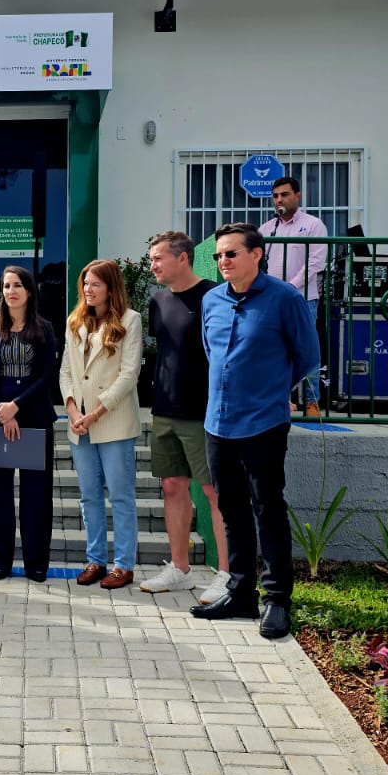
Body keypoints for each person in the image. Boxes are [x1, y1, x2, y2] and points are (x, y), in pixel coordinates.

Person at [191, 223, 321, 640]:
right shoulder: (211, 300)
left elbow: (307, 356)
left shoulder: (285, 298)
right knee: (231, 509)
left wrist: (271, 389)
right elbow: (212, 353)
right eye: (218, 255)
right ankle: (241, 592)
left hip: (264, 422)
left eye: (230, 253)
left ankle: (277, 599)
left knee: (268, 508)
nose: (222, 261)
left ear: (256, 254)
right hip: (218, 422)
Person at [139, 232, 229, 600]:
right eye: (151, 259)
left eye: (158, 258)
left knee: (213, 492)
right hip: (165, 410)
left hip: (203, 413)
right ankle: (180, 570)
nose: (153, 266)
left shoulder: (214, 296)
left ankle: (228, 575)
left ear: (183, 258)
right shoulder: (157, 301)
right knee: (172, 487)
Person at [59, 259, 142, 590]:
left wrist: (95, 413)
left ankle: (123, 565)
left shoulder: (130, 320)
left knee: (120, 496)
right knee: (89, 496)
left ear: (110, 287)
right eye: (85, 283)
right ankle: (95, 560)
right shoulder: (75, 320)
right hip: (79, 425)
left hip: (113, 423)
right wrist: (71, 410)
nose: (88, 289)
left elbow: (129, 374)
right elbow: (66, 370)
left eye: (95, 283)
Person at [0, 266, 59, 582]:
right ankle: (0, 562)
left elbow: (46, 376)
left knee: (36, 496)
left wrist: (16, 407)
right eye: (6, 286)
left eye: (17, 285)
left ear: (29, 290)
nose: (11, 291)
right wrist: (3, 410)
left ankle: (35, 563)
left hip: (34, 418)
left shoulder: (44, 328)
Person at [259, 176, 327, 416]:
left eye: (285, 194)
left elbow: (315, 263)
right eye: (275, 196)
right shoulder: (267, 229)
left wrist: (289, 287)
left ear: (298, 195)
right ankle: (280, 400)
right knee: (274, 350)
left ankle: (311, 402)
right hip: (271, 300)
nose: (279, 200)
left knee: (307, 350)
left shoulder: (313, 225)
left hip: (302, 299)